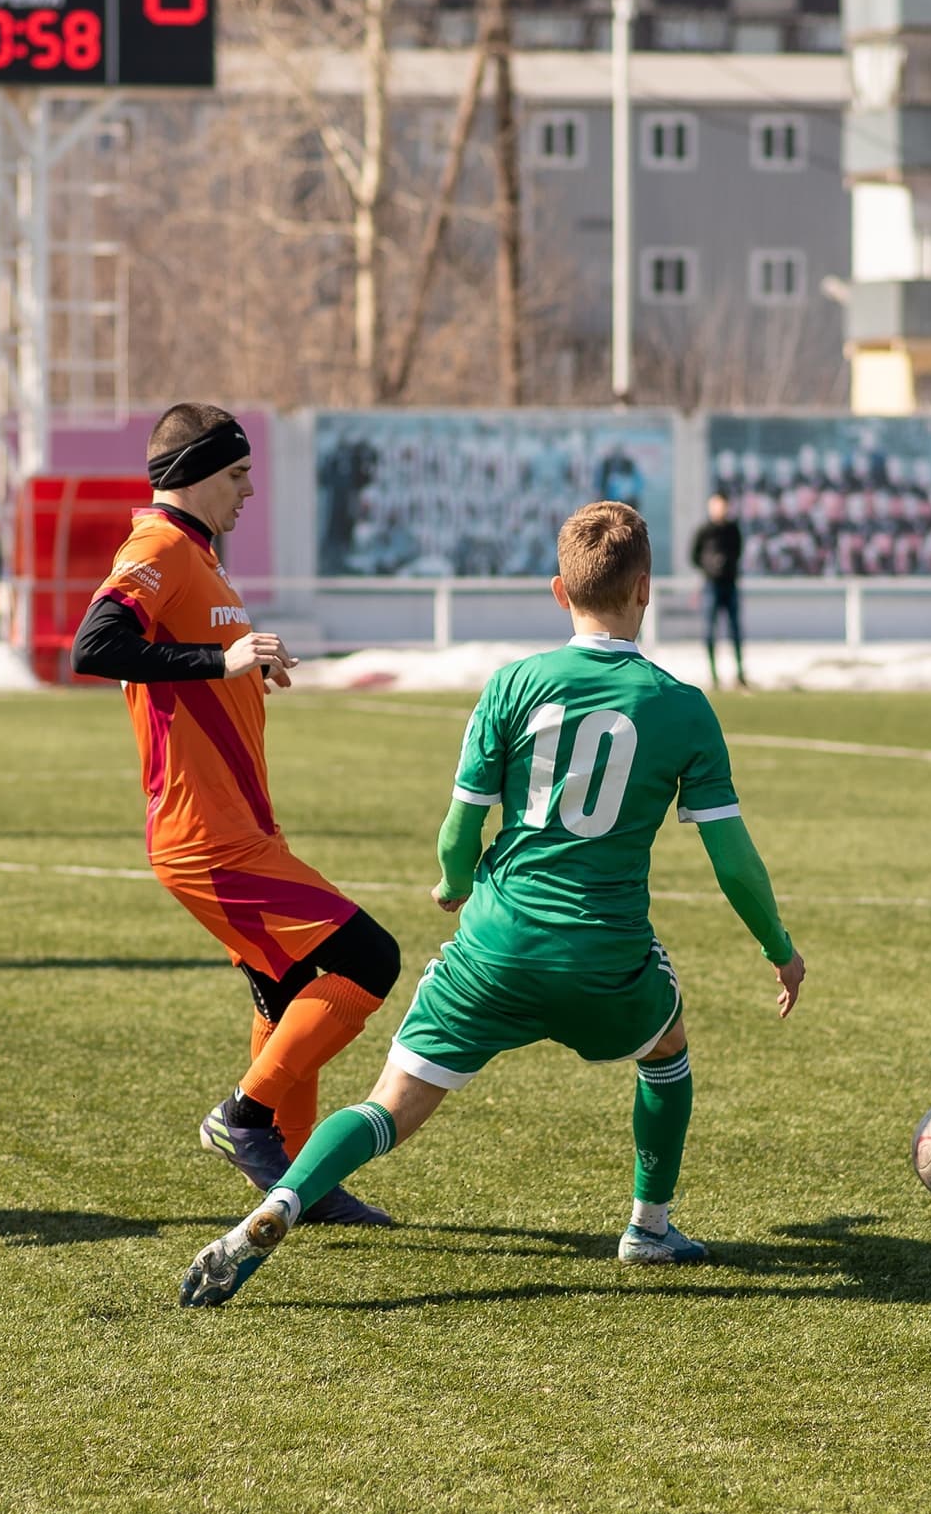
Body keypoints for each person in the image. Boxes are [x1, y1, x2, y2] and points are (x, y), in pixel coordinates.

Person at [180, 501, 807, 1307]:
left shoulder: (512, 683)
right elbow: (734, 863)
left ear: (559, 591)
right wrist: (779, 947)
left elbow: (460, 828)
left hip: (495, 946)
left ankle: (282, 1203)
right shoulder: (681, 705)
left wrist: (453, 883)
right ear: (645, 588)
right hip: (604, 957)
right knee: (666, 1047)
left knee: (387, 1107)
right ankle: (649, 1226)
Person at [71, 402, 399, 1227]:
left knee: (289, 994)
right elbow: (95, 644)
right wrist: (223, 659)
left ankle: (298, 1181)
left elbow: (194, 666)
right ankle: (245, 1118)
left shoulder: (199, 556)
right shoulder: (157, 546)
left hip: (239, 828)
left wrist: (245, 664)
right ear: (194, 474)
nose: (250, 489)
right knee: (371, 958)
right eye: (238, 473)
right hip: (207, 838)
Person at [688, 490, 747, 692]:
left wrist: (727, 566)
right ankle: (713, 675)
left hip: (730, 585)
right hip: (711, 585)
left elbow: (738, 552)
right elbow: (694, 556)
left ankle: (740, 674)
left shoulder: (732, 530)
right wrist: (710, 568)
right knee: (709, 631)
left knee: (735, 630)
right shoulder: (704, 530)